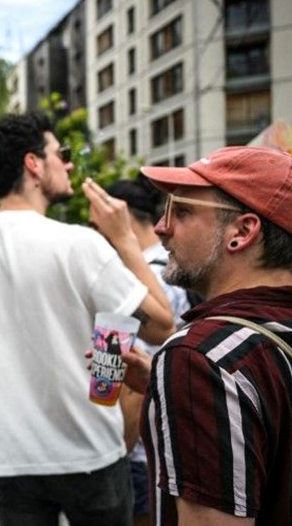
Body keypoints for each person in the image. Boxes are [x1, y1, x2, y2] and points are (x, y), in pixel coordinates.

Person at [0, 112, 174, 526]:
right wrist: (123, 238)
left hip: (5, 459)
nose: (68, 164)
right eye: (61, 154)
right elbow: (162, 324)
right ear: (33, 164)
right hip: (88, 452)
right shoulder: (79, 245)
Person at [130, 146, 292, 524]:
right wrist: (172, 393)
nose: (161, 227)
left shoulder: (200, 356)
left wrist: (186, 380)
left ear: (242, 232)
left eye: (182, 211)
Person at [105, 177, 193, 526]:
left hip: (136, 452)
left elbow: (117, 377)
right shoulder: (175, 269)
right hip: (171, 442)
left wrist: (116, 453)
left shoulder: (129, 281)